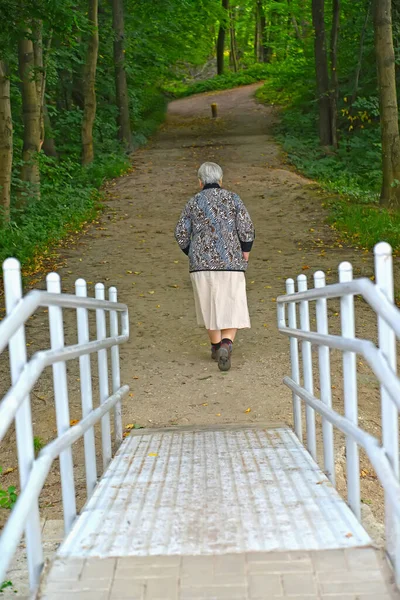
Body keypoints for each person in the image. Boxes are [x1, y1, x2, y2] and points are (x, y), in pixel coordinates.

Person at [175, 162, 255, 371]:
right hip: (231, 262)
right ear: (221, 180)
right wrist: (245, 251)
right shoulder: (233, 198)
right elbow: (246, 227)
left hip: (201, 265)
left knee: (209, 305)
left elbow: (181, 234)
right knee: (232, 303)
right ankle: (227, 344)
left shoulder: (193, 202)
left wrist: (193, 252)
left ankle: (215, 346)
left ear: (200, 182)